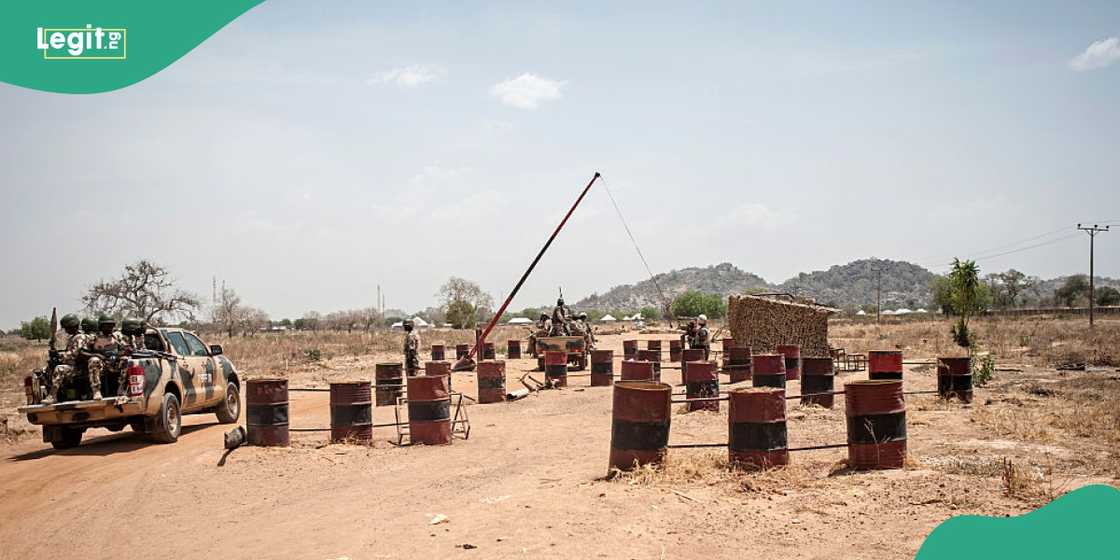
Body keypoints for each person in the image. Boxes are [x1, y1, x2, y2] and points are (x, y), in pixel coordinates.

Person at [46, 314, 88, 404]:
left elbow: (75, 353)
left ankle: (52, 396)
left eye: (67, 328)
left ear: (74, 326)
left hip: (79, 368)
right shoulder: (72, 338)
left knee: (59, 369)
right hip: (72, 366)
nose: (66, 330)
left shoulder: (80, 337)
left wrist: (60, 356)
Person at [85, 315, 126, 400]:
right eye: (107, 325)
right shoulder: (93, 337)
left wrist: (118, 354)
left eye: (111, 325)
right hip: (100, 364)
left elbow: (124, 349)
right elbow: (82, 352)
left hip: (114, 362)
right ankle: (96, 391)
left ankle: (121, 388)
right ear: (101, 326)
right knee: (94, 360)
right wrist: (96, 355)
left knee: (126, 359)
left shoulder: (117, 336)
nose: (110, 327)